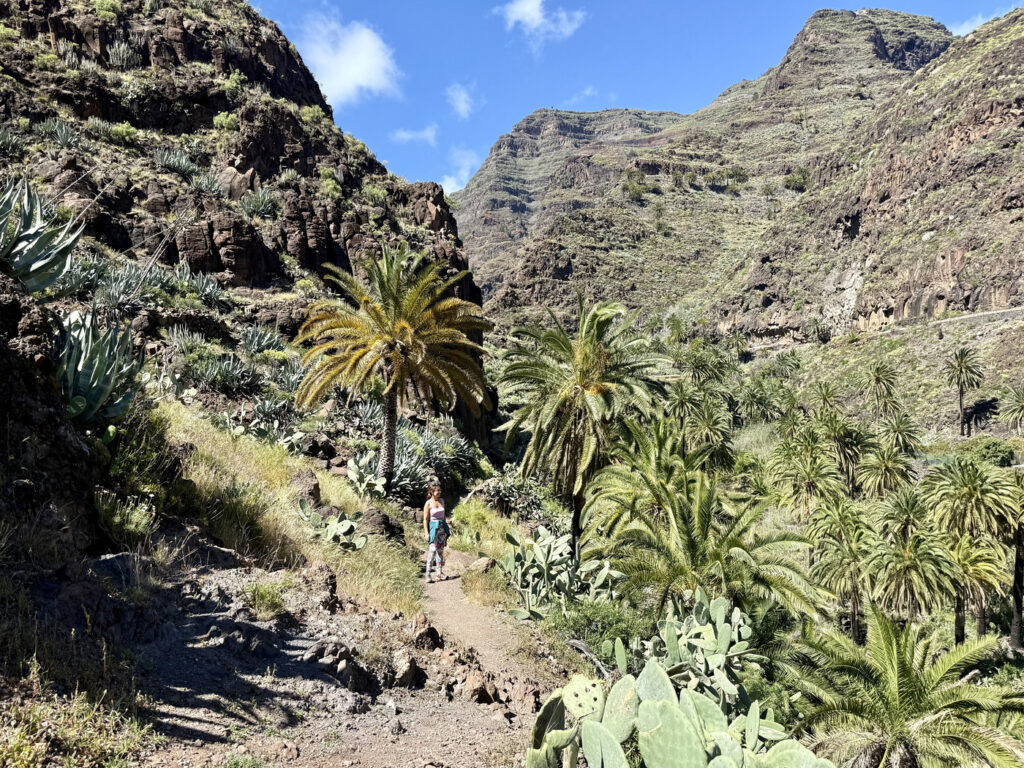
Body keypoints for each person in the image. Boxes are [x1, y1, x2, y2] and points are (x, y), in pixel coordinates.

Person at [423, 485, 450, 582]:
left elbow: (443, 516)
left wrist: (446, 528)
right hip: (433, 528)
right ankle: (428, 574)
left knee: (440, 551)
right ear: (431, 492)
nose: (438, 492)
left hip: (442, 529)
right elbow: (425, 520)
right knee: (432, 550)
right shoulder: (428, 503)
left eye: (439, 490)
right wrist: (426, 533)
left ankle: (439, 573)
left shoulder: (442, 501)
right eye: (436, 490)